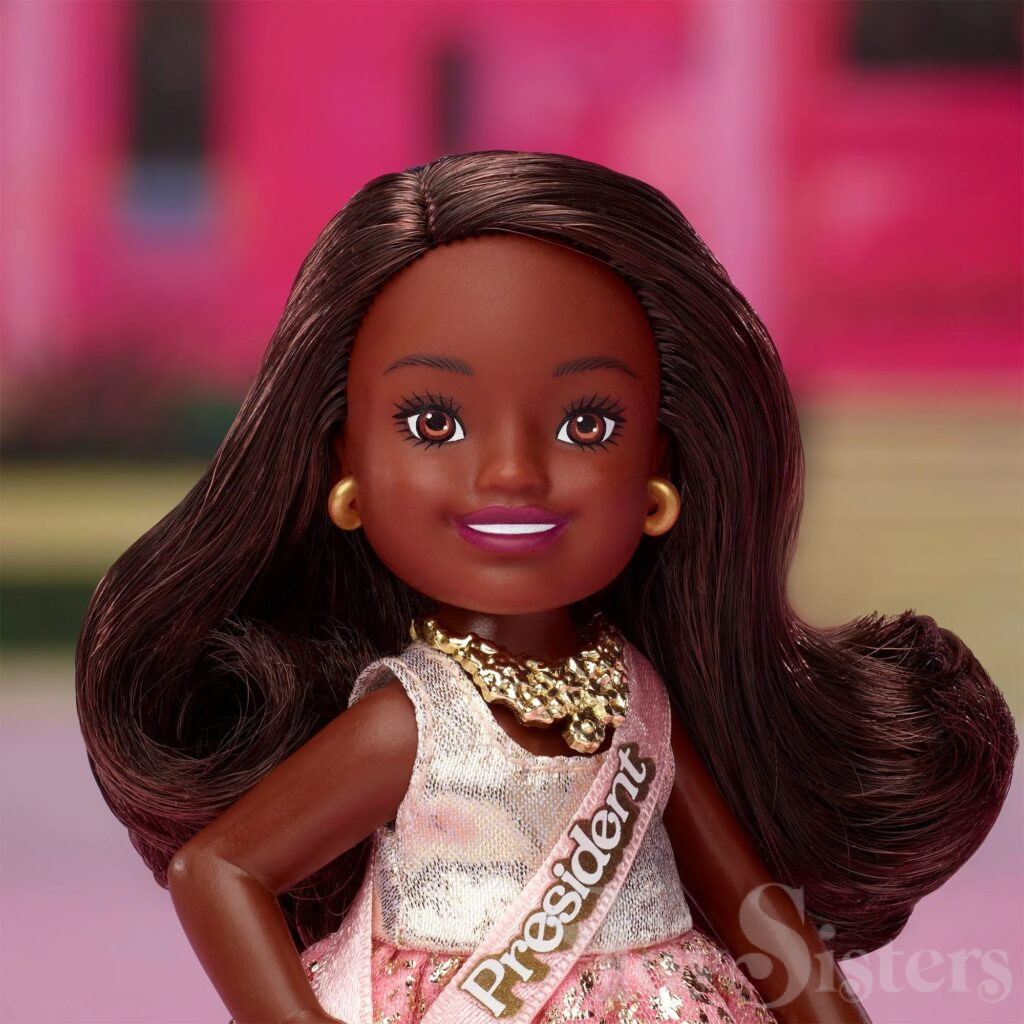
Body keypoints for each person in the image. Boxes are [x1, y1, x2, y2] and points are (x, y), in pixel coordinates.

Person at [76, 151, 1017, 1024]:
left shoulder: (643, 699)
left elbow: (750, 905)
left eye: (587, 425)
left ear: (660, 471)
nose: (513, 474)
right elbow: (219, 869)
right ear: (345, 470)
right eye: (435, 423)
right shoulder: (412, 723)